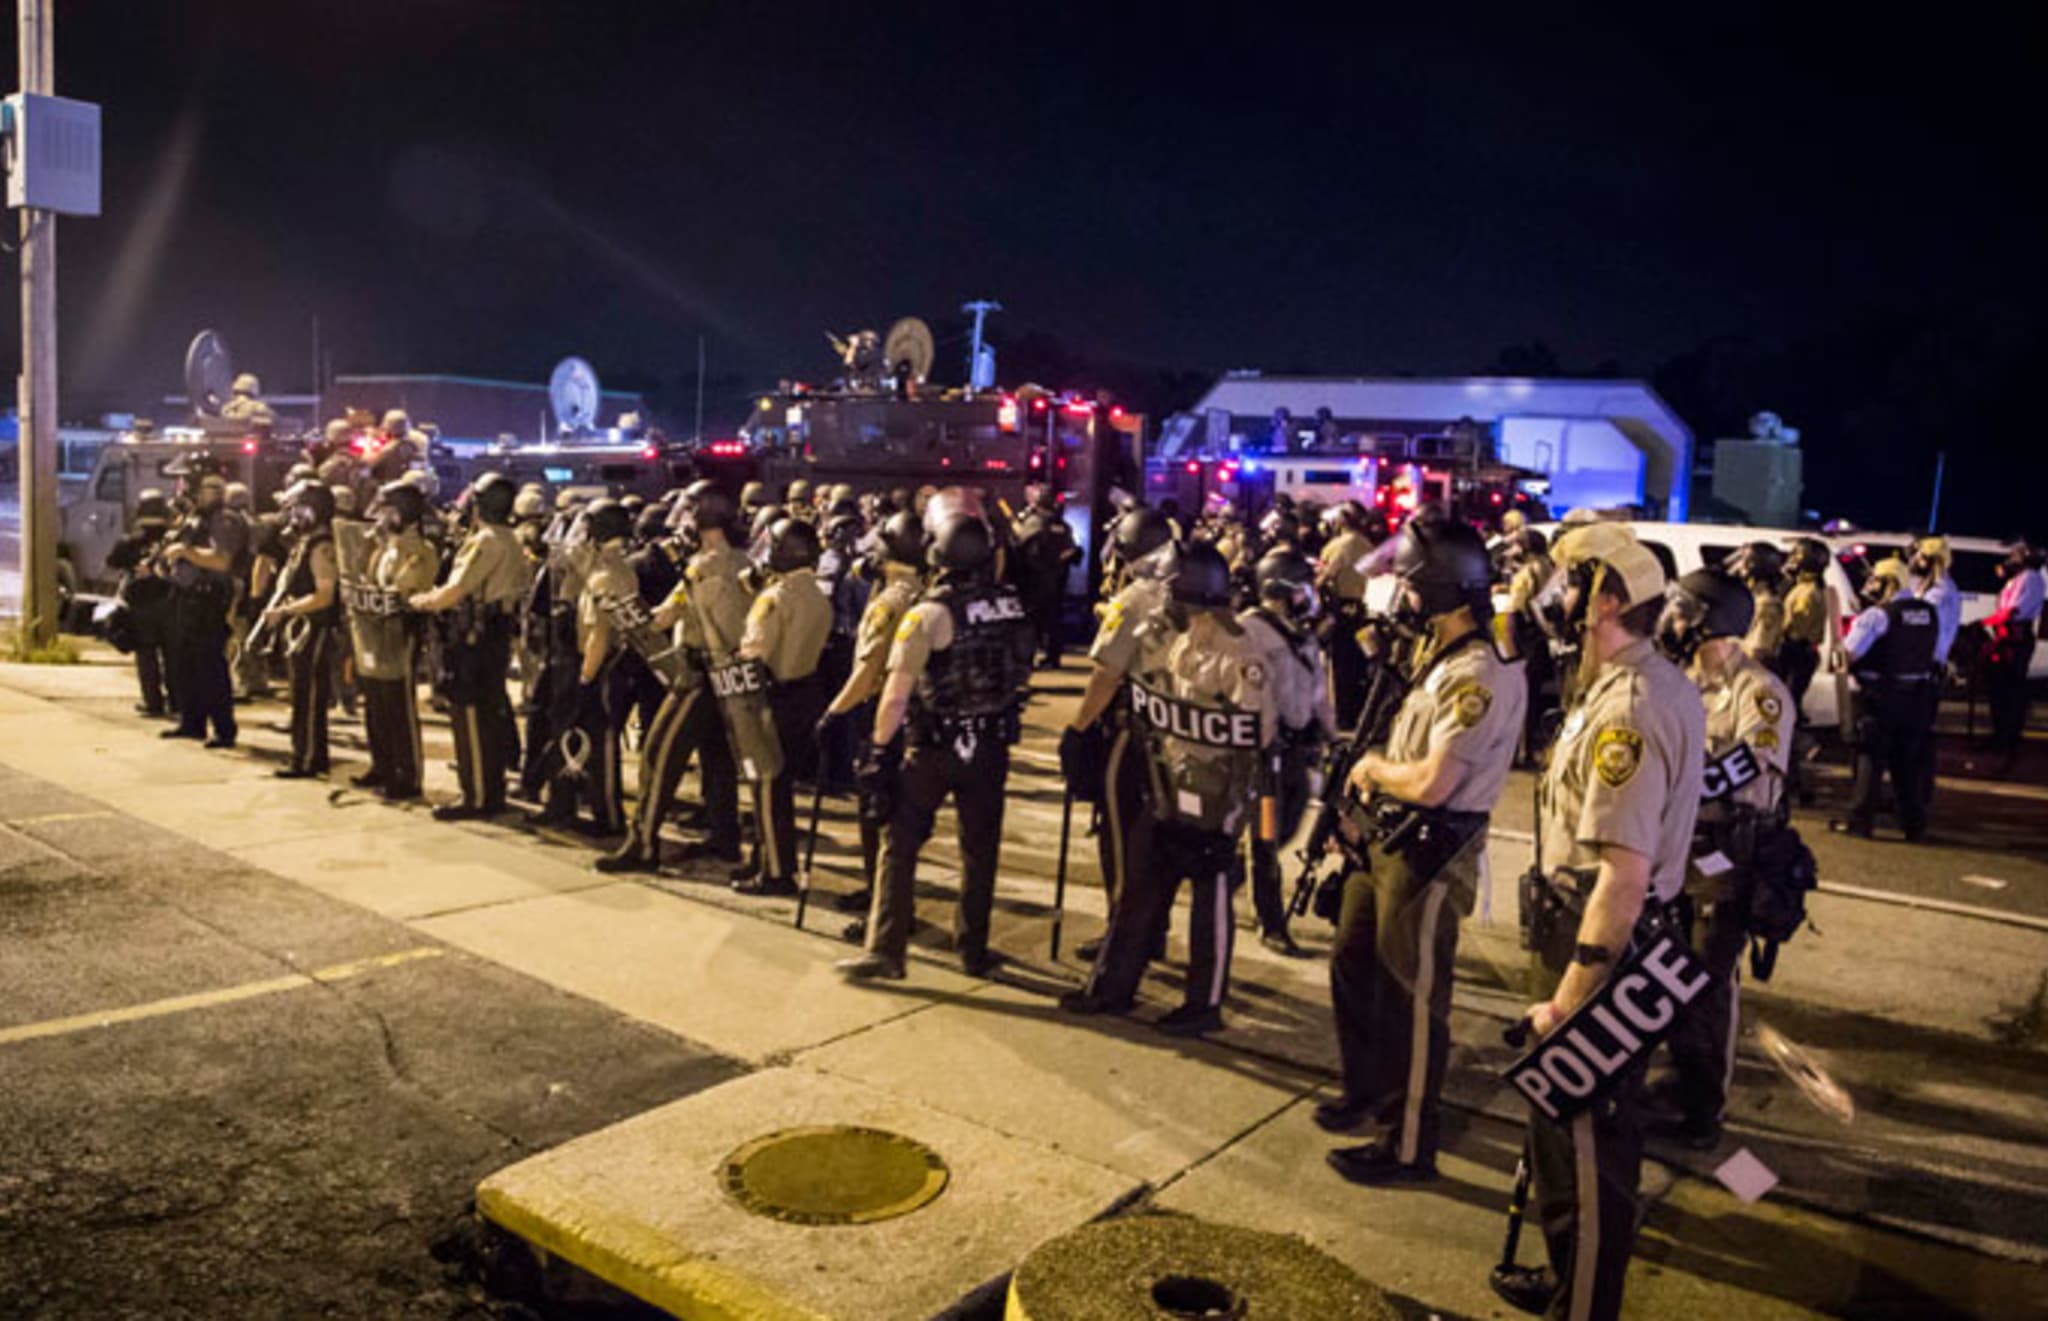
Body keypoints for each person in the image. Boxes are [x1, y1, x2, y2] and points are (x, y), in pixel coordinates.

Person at [1510, 521, 1703, 1321]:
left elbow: (1621, 878)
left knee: (1585, 1139)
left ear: (1610, 600)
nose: (1555, 595)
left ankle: (1582, 1303)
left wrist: (1568, 999)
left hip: (1601, 943)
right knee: (1563, 1131)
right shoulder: (1636, 680)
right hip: (1596, 930)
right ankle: (1567, 1275)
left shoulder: (1629, 706)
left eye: (1572, 581)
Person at [1319, 519, 1525, 1184]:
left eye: (1413, 586)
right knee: (1353, 960)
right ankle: (1368, 1091)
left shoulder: (1476, 675)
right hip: (1383, 836)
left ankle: (1408, 1143)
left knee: (1412, 997)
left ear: (1441, 590)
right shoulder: (1432, 656)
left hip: (1430, 850)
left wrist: (1375, 771)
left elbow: (1436, 782)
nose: (1403, 597)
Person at [1060, 541, 1278, 1035]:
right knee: (1140, 883)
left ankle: (1204, 1004)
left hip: (1220, 792)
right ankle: (1113, 987)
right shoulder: (1184, 640)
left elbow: (1258, 733)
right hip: (1171, 782)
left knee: (1210, 895)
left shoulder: (1241, 652)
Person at [837, 507, 1035, 979]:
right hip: (990, 743)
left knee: (899, 843)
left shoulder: (928, 613)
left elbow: (897, 692)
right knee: (979, 849)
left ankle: (886, 950)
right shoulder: (1013, 605)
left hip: (934, 745)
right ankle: (974, 948)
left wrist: (879, 750)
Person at [1649, 567, 1794, 1149]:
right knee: (1666, 970)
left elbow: (1747, 768)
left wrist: (1675, 779)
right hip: (1679, 850)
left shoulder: (1758, 692)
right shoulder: (1681, 681)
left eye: (1681, 612)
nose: (1671, 621)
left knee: (1708, 981)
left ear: (1709, 622)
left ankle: (1706, 1107)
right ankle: (1680, 1082)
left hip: (1731, 854)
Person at [597, 482, 753, 873]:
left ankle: (643, 843)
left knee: (659, 752)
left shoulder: (706, 567)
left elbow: (683, 617)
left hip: (702, 674)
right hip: (729, 677)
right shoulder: (738, 561)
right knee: (717, 759)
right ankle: (725, 839)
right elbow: (668, 612)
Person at [1062, 506, 1178, 960]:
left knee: (1121, 839)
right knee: (1161, 843)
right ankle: (1153, 934)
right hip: (1177, 732)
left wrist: (1078, 729)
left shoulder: (1134, 599)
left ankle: (1122, 937)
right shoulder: (1188, 590)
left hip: (1133, 733)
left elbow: (1106, 675)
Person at [819, 510, 927, 933]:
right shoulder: (927, 593)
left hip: (883, 712)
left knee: (878, 816)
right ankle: (879, 891)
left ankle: (888, 909)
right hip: (916, 715)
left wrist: (834, 712)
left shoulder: (889, 602)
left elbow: (868, 671)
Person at [410, 473, 532, 820]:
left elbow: (455, 591)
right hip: (494, 634)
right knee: (489, 713)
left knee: (470, 716)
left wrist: (420, 601)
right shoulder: (511, 538)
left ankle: (477, 796)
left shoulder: (486, 541)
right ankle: (489, 789)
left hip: (474, 637)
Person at [729, 517, 834, 897]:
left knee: (767, 788)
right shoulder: (818, 596)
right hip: (805, 691)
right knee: (781, 785)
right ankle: (766, 856)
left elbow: (754, 651)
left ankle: (775, 870)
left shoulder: (773, 598)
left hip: (772, 696)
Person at [1238, 545, 1334, 956]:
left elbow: (1316, 687)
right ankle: (1270, 919)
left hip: (1298, 749)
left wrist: (1330, 733)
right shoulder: (1251, 631)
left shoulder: (1303, 633)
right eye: (1302, 588)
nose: (1309, 595)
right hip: (1266, 753)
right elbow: (1251, 691)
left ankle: (1237, 871)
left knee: (1291, 825)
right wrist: (1263, 739)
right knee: (1265, 834)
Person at [1830, 557, 1938, 840]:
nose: (1870, 585)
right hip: (1917, 697)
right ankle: (1914, 825)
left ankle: (1859, 821)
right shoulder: (1928, 611)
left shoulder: (1877, 616)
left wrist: (1836, 653)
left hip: (1881, 696)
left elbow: (1849, 655)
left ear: (1890, 582)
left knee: (1869, 760)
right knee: (1907, 764)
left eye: (1876, 579)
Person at [547, 499, 637, 836]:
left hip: (603, 667)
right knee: (583, 738)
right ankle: (576, 806)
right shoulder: (604, 569)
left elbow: (601, 632)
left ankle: (609, 817)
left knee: (602, 742)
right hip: (594, 663)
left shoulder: (607, 576)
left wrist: (586, 678)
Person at [348, 480, 438, 799]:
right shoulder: (385, 548)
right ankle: (382, 764)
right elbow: (367, 578)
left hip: (403, 632)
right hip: (375, 630)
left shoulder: (421, 550)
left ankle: (407, 774)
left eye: (389, 510)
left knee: (399, 705)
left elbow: (410, 589)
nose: (383, 517)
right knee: (375, 703)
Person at [159, 465, 248, 749]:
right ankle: (192, 722)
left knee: (210, 665)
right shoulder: (194, 518)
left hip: (210, 599)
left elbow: (222, 560)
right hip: (186, 596)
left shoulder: (225, 520)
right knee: (185, 663)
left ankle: (224, 729)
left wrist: (186, 553)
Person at [265, 480, 344, 778]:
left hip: (315, 629)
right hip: (301, 629)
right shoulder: (303, 542)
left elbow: (324, 595)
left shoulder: (321, 545)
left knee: (310, 696)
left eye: (297, 508)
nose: (292, 514)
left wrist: (286, 610)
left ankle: (309, 758)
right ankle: (302, 753)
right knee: (299, 694)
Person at [104, 490, 178, 718]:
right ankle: (177, 701)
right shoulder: (174, 539)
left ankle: (152, 702)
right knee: (172, 654)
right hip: (170, 602)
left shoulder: (130, 540)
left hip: (140, 605)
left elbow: (112, 563)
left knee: (146, 654)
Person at [1983, 540, 2045, 771]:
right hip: (2006, 637)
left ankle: (2008, 739)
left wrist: (1985, 622)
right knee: (1999, 689)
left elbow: (2013, 611)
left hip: (2016, 638)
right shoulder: (2016, 579)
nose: (2011, 559)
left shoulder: (2031, 578)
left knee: (2011, 689)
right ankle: (1999, 735)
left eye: (2016, 555)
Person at [1316, 502, 1376, 731]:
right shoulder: (1367, 545)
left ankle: (1344, 717)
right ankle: (1360, 713)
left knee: (1342, 666)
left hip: (1343, 611)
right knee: (1360, 665)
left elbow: (1323, 578)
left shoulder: (1338, 546)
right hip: (1365, 611)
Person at [1012, 489, 1081, 668]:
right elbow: (1075, 554)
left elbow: (1025, 553)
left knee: (1031, 622)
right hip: (1057, 581)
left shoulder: (1034, 524)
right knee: (1053, 620)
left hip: (1035, 582)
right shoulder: (1063, 526)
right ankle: (1053, 656)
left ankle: (1027, 658)